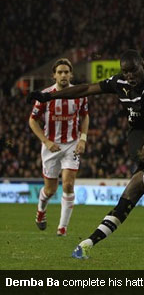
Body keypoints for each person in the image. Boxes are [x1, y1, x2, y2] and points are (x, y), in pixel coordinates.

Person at [28, 49, 144, 259]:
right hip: (139, 136)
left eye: (133, 71)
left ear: (143, 64)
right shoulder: (120, 82)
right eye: (126, 72)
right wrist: (49, 96)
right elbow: (86, 88)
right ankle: (87, 243)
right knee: (128, 198)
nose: (130, 76)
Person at [28, 58, 89, 236]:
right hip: (51, 147)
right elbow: (33, 120)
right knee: (50, 190)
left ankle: (62, 228)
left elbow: (85, 116)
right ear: (54, 75)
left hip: (71, 144)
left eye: (66, 72)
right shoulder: (45, 95)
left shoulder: (79, 94)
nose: (63, 75)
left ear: (71, 74)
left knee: (69, 184)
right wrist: (46, 141)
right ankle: (41, 210)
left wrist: (83, 139)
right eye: (60, 72)